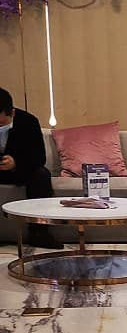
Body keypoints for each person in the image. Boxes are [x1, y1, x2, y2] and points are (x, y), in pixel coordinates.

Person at [0, 88, 62, 247]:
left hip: (21, 171)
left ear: (12, 113)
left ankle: (39, 233)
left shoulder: (28, 122)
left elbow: (39, 158)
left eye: (1, 123)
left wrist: (16, 163)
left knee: (41, 175)